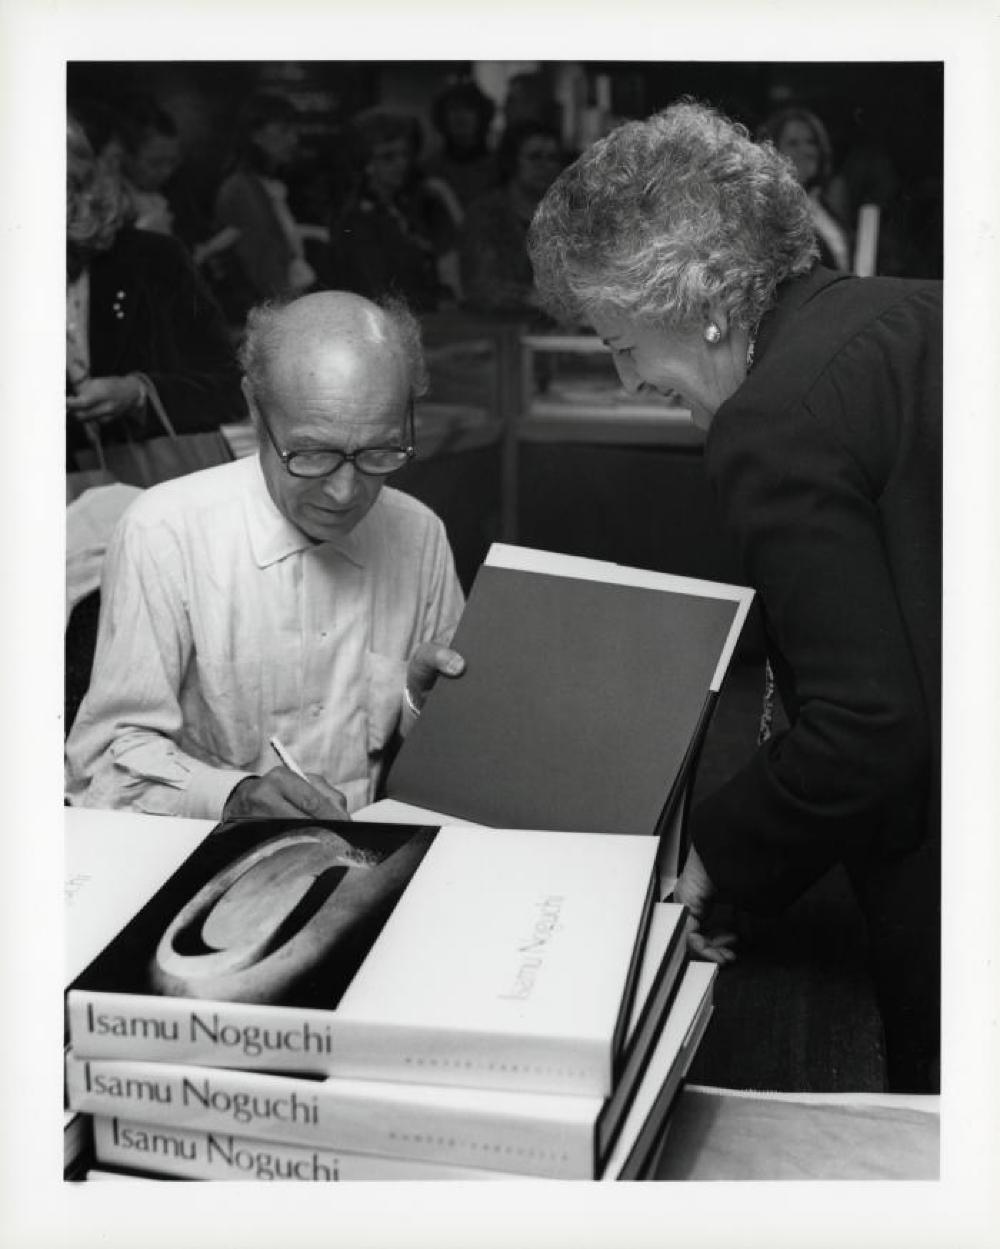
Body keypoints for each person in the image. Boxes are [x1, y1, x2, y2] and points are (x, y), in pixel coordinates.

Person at [528, 101, 941, 1093]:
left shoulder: (772, 420)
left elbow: (867, 727)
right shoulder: (914, 312)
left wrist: (720, 846)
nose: (626, 378)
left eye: (618, 338)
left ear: (702, 296)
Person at [65, 291, 466, 822]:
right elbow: (100, 765)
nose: (346, 492)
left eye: (378, 453)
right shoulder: (166, 531)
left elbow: (449, 769)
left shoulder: (420, 534)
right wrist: (230, 797)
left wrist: (422, 706)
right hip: (200, 854)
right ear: (255, 409)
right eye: (313, 454)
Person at [65, 116, 244, 471]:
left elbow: (228, 388)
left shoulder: (151, 259)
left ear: (80, 183)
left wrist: (138, 392)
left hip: (151, 485)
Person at [326, 108, 461, 312]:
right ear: (366, 164)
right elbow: (375, 294)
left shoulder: (411, 206)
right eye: (388, 157)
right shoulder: (356, 220)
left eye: (405, 154)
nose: (401, 163)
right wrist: (435, 303)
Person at [211, 93, 319, 319]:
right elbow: (264, 265)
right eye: (284, 131)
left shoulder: (263, 184)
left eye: (293, 130)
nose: (294, 140)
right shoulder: (242, 188)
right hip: (270, 312)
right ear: (256, 135)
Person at [459, 120, 563, 316]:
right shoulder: (485, 215)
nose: (545, 166)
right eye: (534, 157)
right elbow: (482, 288)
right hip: (494, 330)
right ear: (511, 160)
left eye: (552, 158)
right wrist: (538, 298)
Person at [759, 106, 853, 272]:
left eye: (811, 142)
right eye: (793, 143)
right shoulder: (768, 210)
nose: (806, 150)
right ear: (773, 151)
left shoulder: (823, 204)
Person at [425, 78, 500, 211]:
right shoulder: (429, 169)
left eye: (468, 109)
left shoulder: (500, 168)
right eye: (453, 109)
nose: (460, 116)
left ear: (481, 115)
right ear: (442, 117)